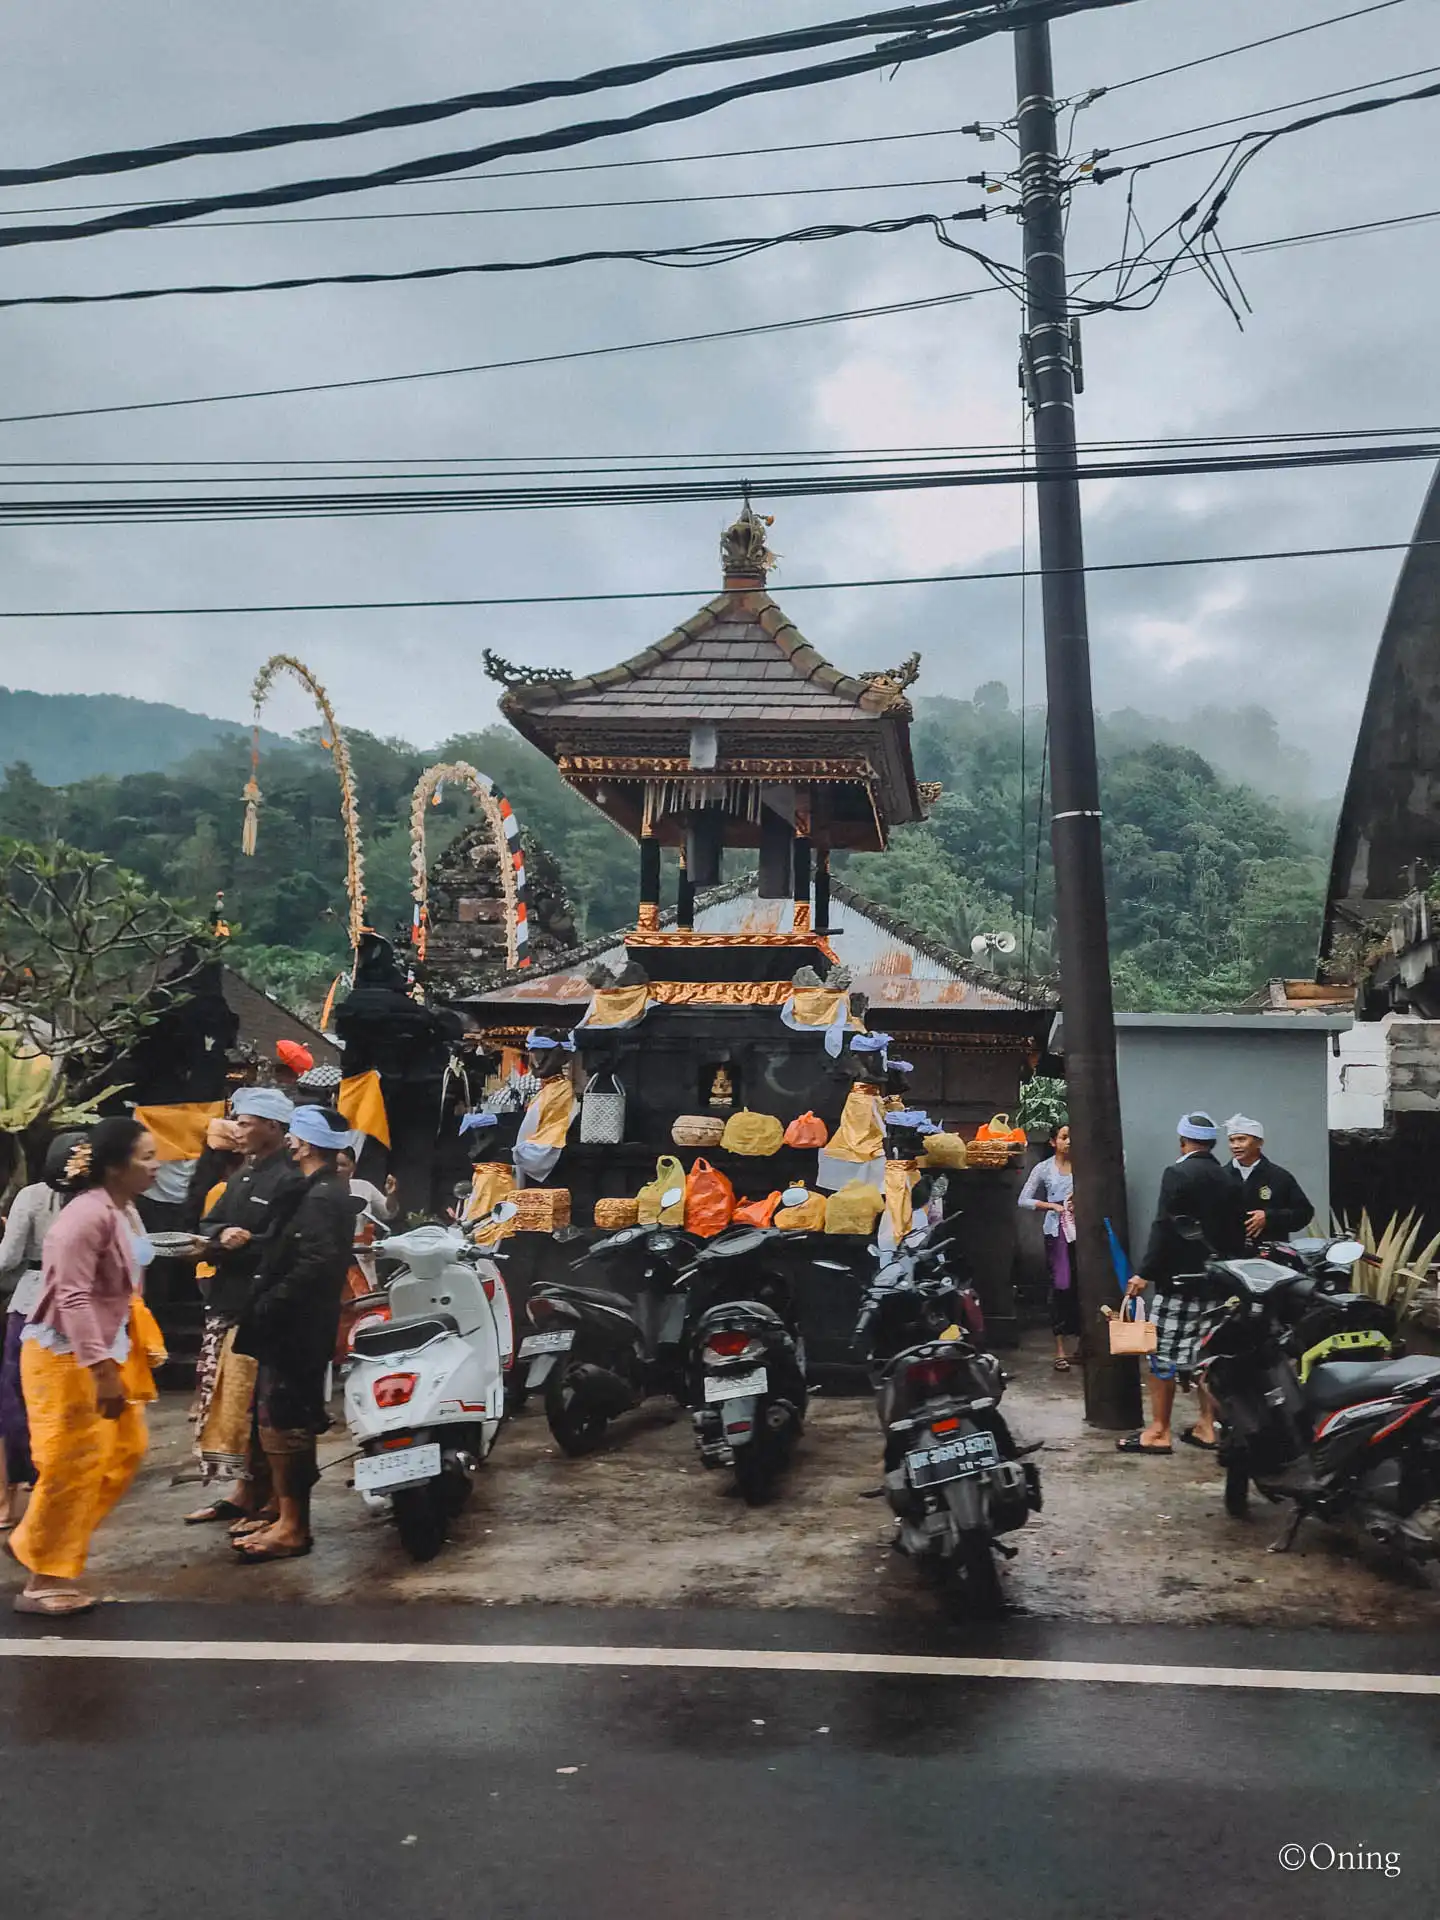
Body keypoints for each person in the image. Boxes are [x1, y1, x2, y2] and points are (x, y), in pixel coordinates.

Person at [10, 1119, 166, 1617]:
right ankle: (43, 1577)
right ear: (115, 1167)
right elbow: (72, 1296)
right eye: (146, 1157)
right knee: (70, 1466)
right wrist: (100, 1368)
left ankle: (38, 1540)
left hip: (102, 1349)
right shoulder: (84, 1217)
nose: (156, 1165)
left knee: (124, 1450)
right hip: (66, 1357)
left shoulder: (116, 1210)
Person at [229, 1106, 360, 1563]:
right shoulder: (316, 1190)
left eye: (295, 1138)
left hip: (297, 1325)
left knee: (287, 1422)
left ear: (303, 1143)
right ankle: (286, 1518)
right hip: (294, 1322)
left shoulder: (324, 1196)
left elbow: (318, 1261)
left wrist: (274, 1299)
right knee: (279, 1420)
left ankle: (294, 1526)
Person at [184, 1086, 304, 1526]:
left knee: (262, 1410)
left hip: (262, 1309)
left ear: (273, 1127)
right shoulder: (245, 1175)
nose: (238, 1131)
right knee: (231, 1407)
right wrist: (220, 1238)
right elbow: (210, 1223)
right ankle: (242, 1492)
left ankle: (273, 1502)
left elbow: (288, 1243)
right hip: (228, 1303)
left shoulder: (290, 1179)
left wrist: (249, 1241)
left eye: (246, 1122)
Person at [1117, 1110, 1246, 1457]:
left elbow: (1164, 1227)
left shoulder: (1177, 1173)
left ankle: (1159, 1431)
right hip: (1219, 1284)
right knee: (1209, 1355)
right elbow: (1237, 1234)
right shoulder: (1229, 1178)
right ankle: (1208, 1426)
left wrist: (1144, 1272)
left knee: (1161, 1356)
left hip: (1179, 1284)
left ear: (1183, 1141)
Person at [0, 1136, 75, 1528]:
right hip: (87, 1308)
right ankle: (57, 1490)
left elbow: (8, 1258)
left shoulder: (31, 1196)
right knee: (73, 1403)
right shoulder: (106, 1200)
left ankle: (9, 1495)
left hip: (32, 1302)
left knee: (15, 1396)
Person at [1018, 1123, 1080, 1373]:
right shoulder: (1044, 1169)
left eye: (1071, 1138)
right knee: (1060, 1286)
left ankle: (1083, 1346)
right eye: (1064, 1138)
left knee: (1083, 1286)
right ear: (1053, 1142)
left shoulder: (1084, 1167)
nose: (1068, 1142)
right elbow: (1023, 1199)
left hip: (1082, 1231)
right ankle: (1060, 1349)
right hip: (1057, 1232)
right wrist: (1051, 1206)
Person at [1225, 1115, 1313, 1244]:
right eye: (1232, 1140)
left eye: (1241, 1139)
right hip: (1229, 1254)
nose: (1235, 1145)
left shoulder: (1279, 1177)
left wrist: (1270, 1217)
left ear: (1259, 1142)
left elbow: (1304, 1213)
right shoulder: (1220, 1176)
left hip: (1270, 1254)